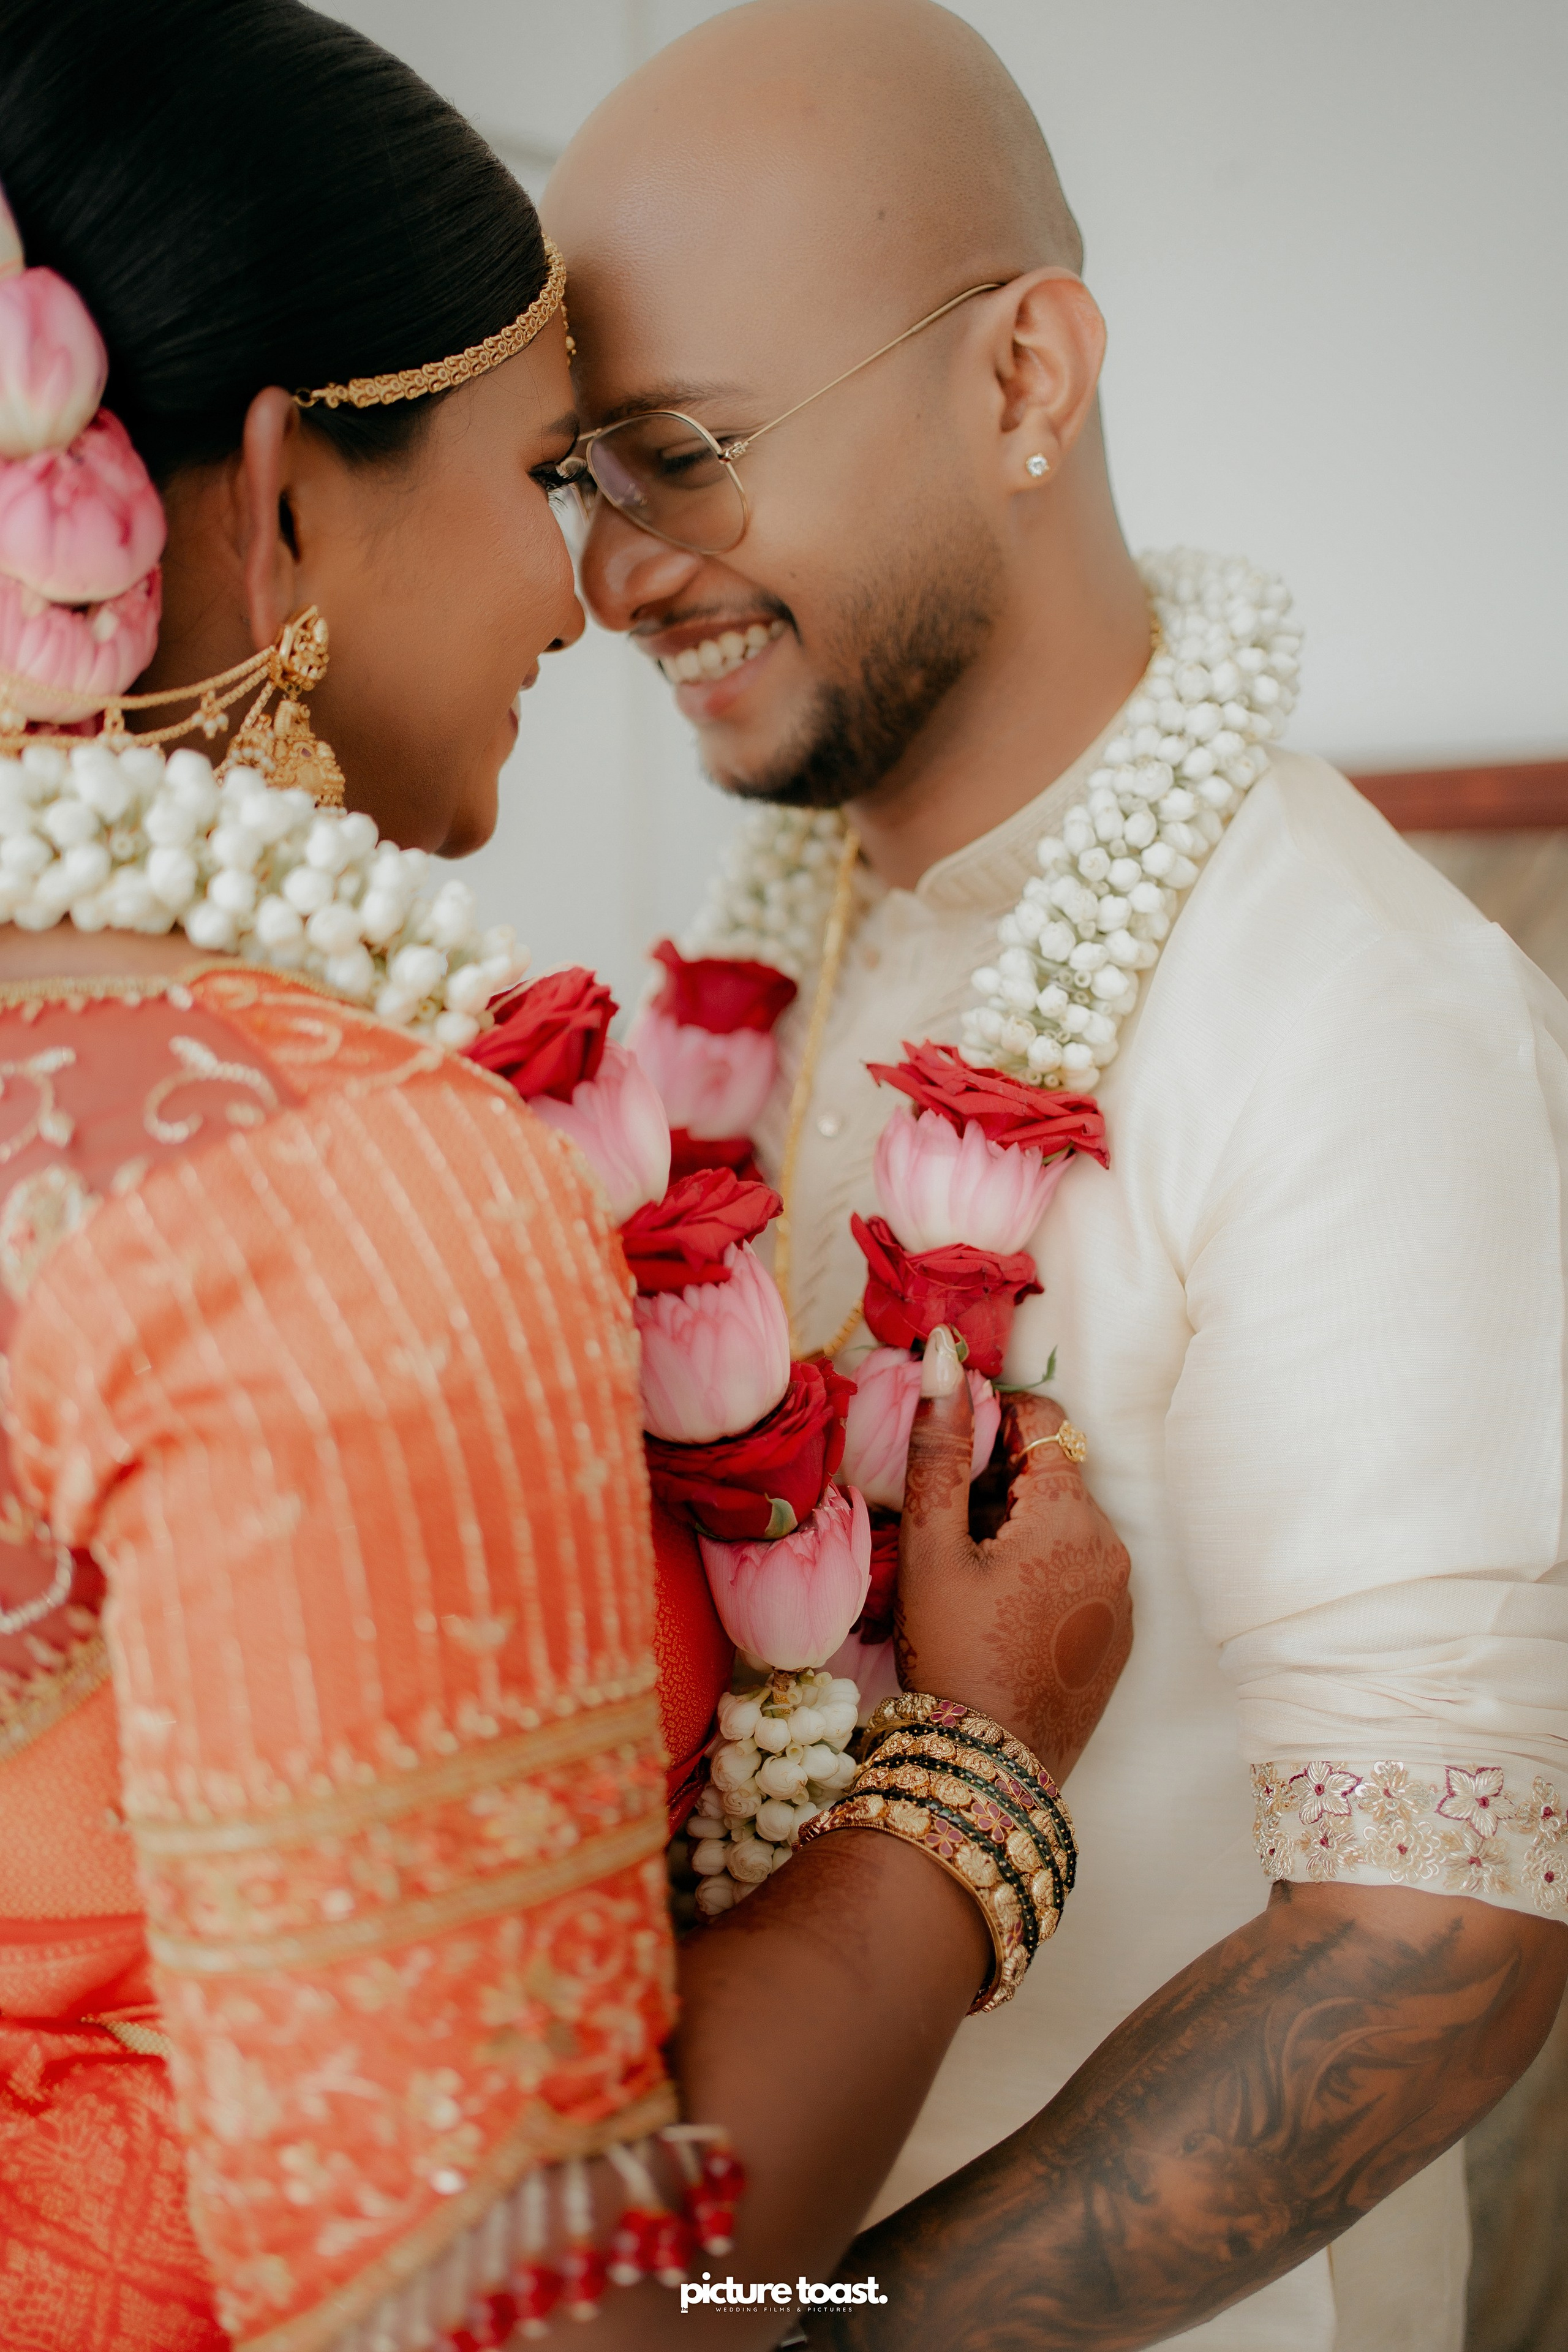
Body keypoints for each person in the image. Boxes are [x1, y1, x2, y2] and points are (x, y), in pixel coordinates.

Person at [0, 4, 1132, 2348]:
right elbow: (539, 2316)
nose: (585, 600)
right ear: (286, 493)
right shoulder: (337, 1187)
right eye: (543, 484)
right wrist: (970, 1783)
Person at [546, 1, 1568, 2344]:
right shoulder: (752, 957)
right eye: (574, 479)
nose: (613, 576)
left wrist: (775, 2336)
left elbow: (1436, 1943)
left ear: (1024, 381)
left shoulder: (1358, 1020)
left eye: (682, 455)